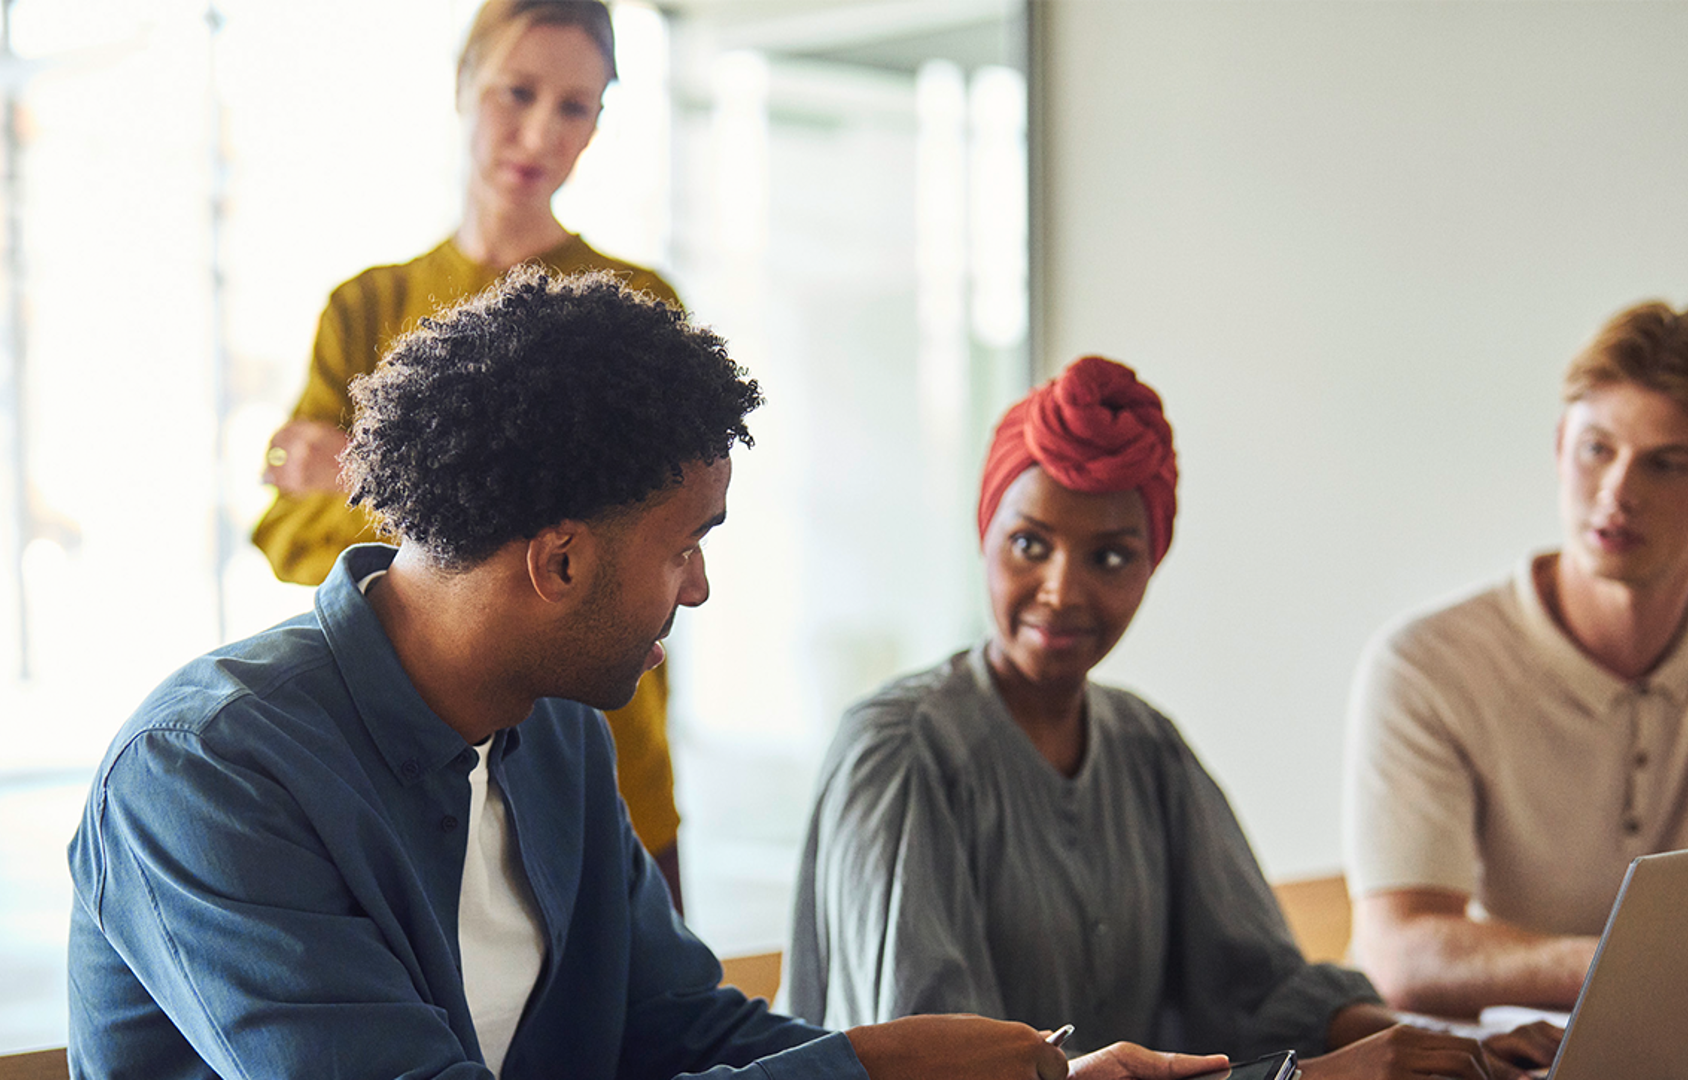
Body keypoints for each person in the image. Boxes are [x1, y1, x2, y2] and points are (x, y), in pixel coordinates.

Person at [68, 270, 1226, 1080]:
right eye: (686, 545)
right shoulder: (206, 775)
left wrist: (1025, 1073)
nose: (700, 589)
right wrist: (868, 1065)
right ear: (560, 561)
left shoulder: (556, 735)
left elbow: (676, 1026)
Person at [788, 357, 1559, 1080]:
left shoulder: (1145, 745)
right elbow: (933, 1063)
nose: (1062, 590)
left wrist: (1462, 1050)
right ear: (983, 531)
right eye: (1030, 544)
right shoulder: (896, 752)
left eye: (1111, 557)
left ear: (1152, 563)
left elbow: (1258, 993)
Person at [252, 0, 686, 906]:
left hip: (612, 749)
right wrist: (521, 506)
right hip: (421, 759)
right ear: (462, 89)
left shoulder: (635, 305)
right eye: (516, 92)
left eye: (575, 107)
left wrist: (366, 471)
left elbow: (645, 537)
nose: (538, 132)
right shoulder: (364, 308)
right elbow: (289, 534)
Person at [1344, 299, 1688, 1017]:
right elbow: (1399, 952)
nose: (1618, 492)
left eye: (1666, 464)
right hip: (1497, 1058)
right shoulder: (1425, 666)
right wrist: (1627, 970)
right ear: (1561, 445)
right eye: (1598, 449)